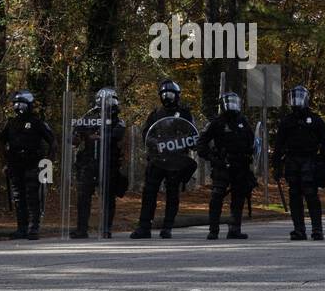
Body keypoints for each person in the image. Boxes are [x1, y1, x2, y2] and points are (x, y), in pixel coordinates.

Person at [130, 80, 198, 239]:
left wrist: (183, 142)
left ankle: (167, 227)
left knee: (172, 194)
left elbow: (193, 134)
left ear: (177, 95)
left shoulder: (185, 114)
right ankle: (144, 226)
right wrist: (156, 144)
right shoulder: (155, 114)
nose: (167, 97)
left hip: (176, 160)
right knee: (149, 193)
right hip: (157, 159)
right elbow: (146, 134)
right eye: (164, 94)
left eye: (171, 94)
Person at [272, 85, 325, 241]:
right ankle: (299, 229)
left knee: (311, 194)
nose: (296, 101)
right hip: (292, 161)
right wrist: (276, 166)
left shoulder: (316, 120)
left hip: (310, 161)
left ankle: (317, 229)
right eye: (293, 97)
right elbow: (278, 145)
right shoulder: (286, 121)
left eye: (299, 97)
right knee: (294, 196)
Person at [197, 92, 256, 240]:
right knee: (217, 196)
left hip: (241, 165)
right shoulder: (217, 123)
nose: (232, 105)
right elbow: (201, 144)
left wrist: (250, 153)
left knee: (239, 197)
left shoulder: (243, 122)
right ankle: (213, 229)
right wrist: (212, 157)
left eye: (234, 102)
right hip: (222, 165)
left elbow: (252, 141)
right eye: (229, 102)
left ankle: (235, 229)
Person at [69, 88, 127, 239]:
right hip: (88, 163)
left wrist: (98, 136)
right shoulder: (89, 117)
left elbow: (116, 135)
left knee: (108, 197)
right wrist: (76, 137)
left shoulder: (118, 120)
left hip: (108, 164)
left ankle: (105, 229)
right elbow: (75, 136)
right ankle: (82, 229)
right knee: (83, 196)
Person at [1, 90, 56, 240]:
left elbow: (52, 142)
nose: (17, 106)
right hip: (15, 165)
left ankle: (34, 228)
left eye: (20, 103)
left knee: (33, 197)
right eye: (15, 103)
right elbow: (1, 141)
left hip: (33, 164)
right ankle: (22, 228)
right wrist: (6, 162)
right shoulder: (11, 123)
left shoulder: (37, 122)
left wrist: (47, 163)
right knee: (18, 198)